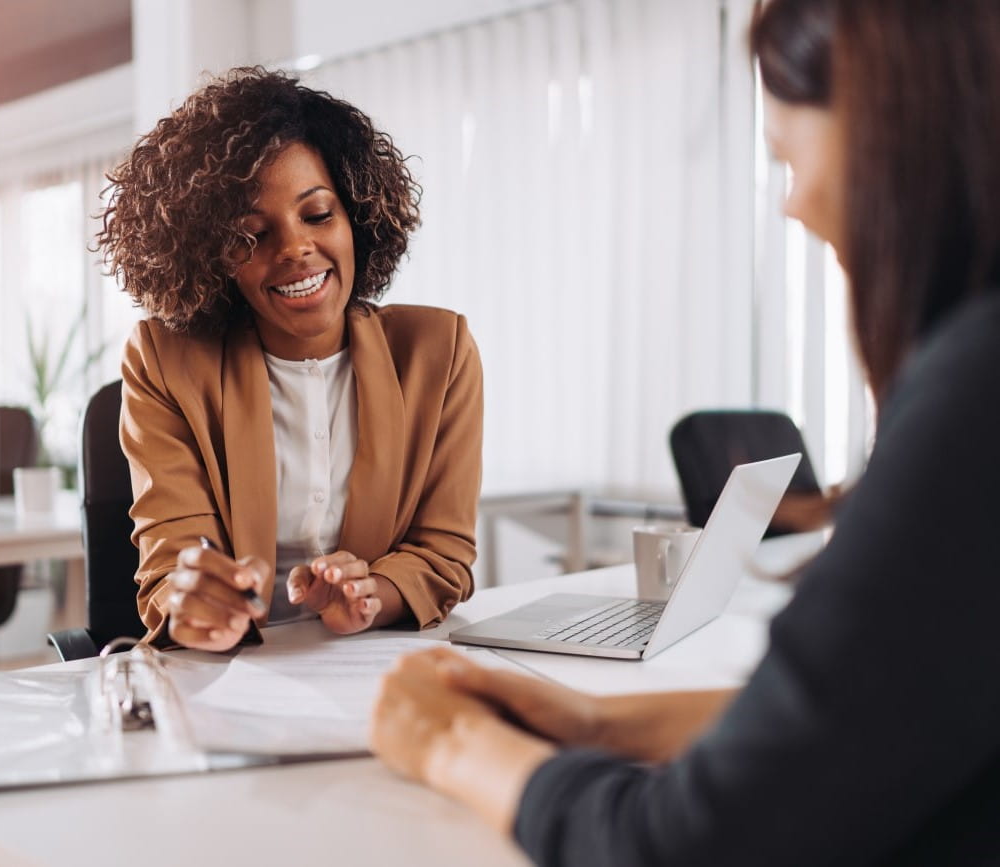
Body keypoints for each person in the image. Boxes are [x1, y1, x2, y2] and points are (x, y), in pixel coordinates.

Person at [370, 0, 1000, 862]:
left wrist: (450, 743)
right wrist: (595, 721)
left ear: (896, 130)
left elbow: (695, 843)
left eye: (788, 158)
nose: (794, 204)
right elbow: (870, 721)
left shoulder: (975, 390)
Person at [97, 68, 483, 652]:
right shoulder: (164, 361)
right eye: (252, 234)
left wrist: (370, 598)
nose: (295, 249)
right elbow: (171, 565)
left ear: (356, 215)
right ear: (212, 256)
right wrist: (196, 605)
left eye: (318, 214)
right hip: (227, 674)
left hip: (372, 664)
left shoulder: (438, 351)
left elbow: (442, 552)